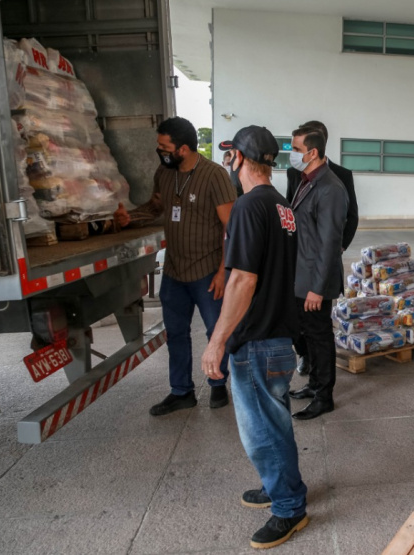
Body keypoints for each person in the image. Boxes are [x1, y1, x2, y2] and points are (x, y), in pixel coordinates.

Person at [201, 126, 308, 549]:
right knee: (275, 422)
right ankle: (278, 485)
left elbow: (243, 279)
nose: (228, 163)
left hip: (259, 338)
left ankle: (288, 509)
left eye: (230, 156)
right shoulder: (282, 206)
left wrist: (217, 340)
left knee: (262, 430)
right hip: (280, 332)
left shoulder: (248, 206)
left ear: (240, 159)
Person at [120, 116, 235, 415]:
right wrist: (130, 217)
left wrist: (224, 271)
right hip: (174, 271)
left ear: (183, 149)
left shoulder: (214, 175)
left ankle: (217, 384)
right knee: (176, 333)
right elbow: (156, 206)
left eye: (164, 147)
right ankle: (181, 391)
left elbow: (232, 228)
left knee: (215, 331)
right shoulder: (165, 172)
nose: (160, 152)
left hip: (208, 271)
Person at [286, 121, 358, 377]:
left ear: (312, 152)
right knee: (308, 331)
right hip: (303, 270)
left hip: (316, 276)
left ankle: (322, 394)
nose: (291, 153)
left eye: (295, 148)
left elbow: (330, 242)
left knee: (319, 334)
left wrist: (316, 287)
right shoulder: (305, 179)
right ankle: (314, 384)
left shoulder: (330, 187)